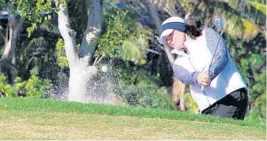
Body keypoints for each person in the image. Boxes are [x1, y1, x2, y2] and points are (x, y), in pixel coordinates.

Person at [158, 16, 248, 120]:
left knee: (219, 135)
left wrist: (210, 74)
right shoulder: (178, 63)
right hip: (206, 109)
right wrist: (197, 77)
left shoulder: (207, 35)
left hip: (230, 97)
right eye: (165, 39)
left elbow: (221, 56)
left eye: (170, 35)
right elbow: (185, 77)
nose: (169, 40)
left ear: (181, 29)